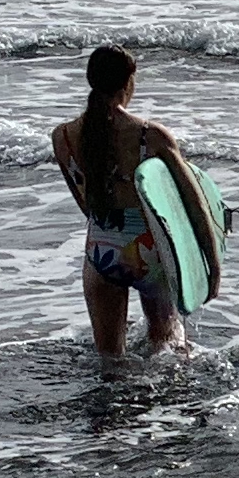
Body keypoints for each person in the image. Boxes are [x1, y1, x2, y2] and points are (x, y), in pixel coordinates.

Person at [52, 43, 199, 359]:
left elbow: (86, 205)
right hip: (149, 249)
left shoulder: (62, 136)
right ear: (127, 84)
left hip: (102, 250)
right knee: (169, 348)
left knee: (110, 360)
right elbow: (194, 203)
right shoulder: (151, 135)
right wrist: (210, 270)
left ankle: (113, 408)